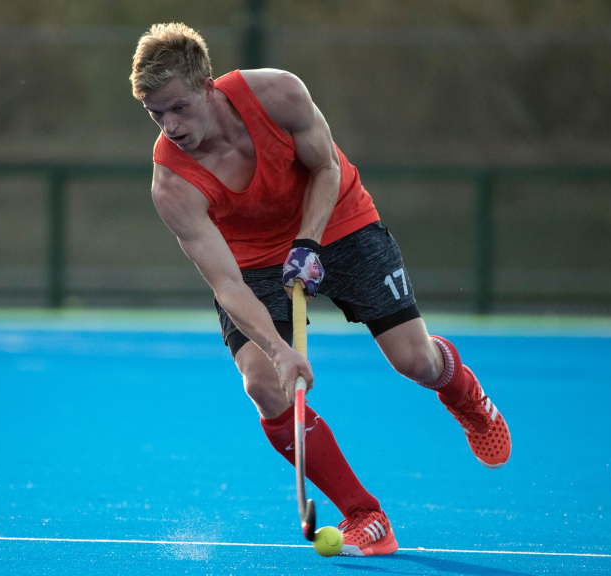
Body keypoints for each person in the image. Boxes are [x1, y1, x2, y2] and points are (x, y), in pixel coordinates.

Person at [130, 23, 511, 556]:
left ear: (208, 86)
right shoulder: (171, 183)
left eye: (179, 108)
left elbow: (326, 167)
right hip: (252, 259)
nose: (170, 126)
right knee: (264, 384)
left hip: (336, 220)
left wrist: (307, 243)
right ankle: (364, 513)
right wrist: (281, 351)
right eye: (156, 115)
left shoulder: (278, 93)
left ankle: (463, 393)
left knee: (413, 362)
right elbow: (227, 284)